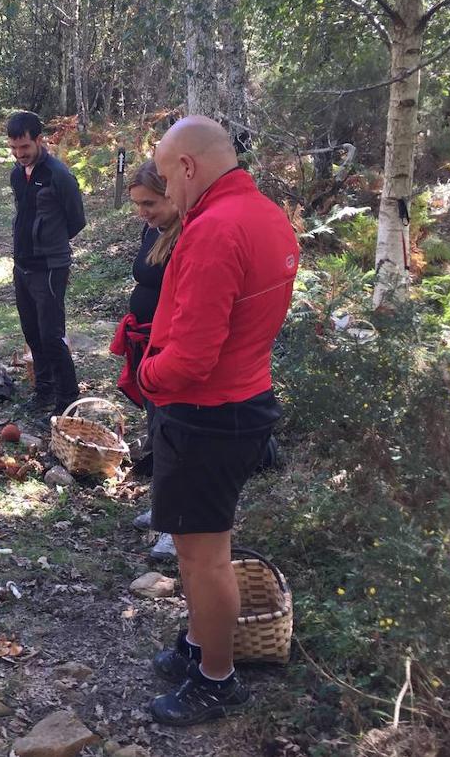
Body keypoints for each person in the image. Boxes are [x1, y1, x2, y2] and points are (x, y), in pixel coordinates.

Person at [138, 116, 299, 725]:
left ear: (188, 166)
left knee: (202, 559)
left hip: (206, 416)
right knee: (207, 551)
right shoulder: (267, 214)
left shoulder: (214, 230)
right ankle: (203, 644)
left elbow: (193, 358)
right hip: (244, 400)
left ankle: (217, 679)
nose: (164, 188)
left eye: (166, 173)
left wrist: (144, 375)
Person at [111, 160, 182, 562]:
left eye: (150, 203)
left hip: (172, 347)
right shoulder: (152, 228)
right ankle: (163, 507)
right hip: (147, 342)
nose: (143, 212)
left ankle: (177, 526)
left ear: (172, 194)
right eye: (138, 204)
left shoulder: (188, 233)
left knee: (174, 434)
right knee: (156, 429)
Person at [6, 111, 86, 416]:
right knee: (32, 333)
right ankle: (44, 390)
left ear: (39, 140)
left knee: (52, 335)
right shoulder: (17, 174)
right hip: (22, 265)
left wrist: (50, 243)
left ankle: (68, 400)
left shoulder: (58, 175)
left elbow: (76, 220)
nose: (19, 154)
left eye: (24, 147)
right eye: (13, 148)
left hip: (50, 267)